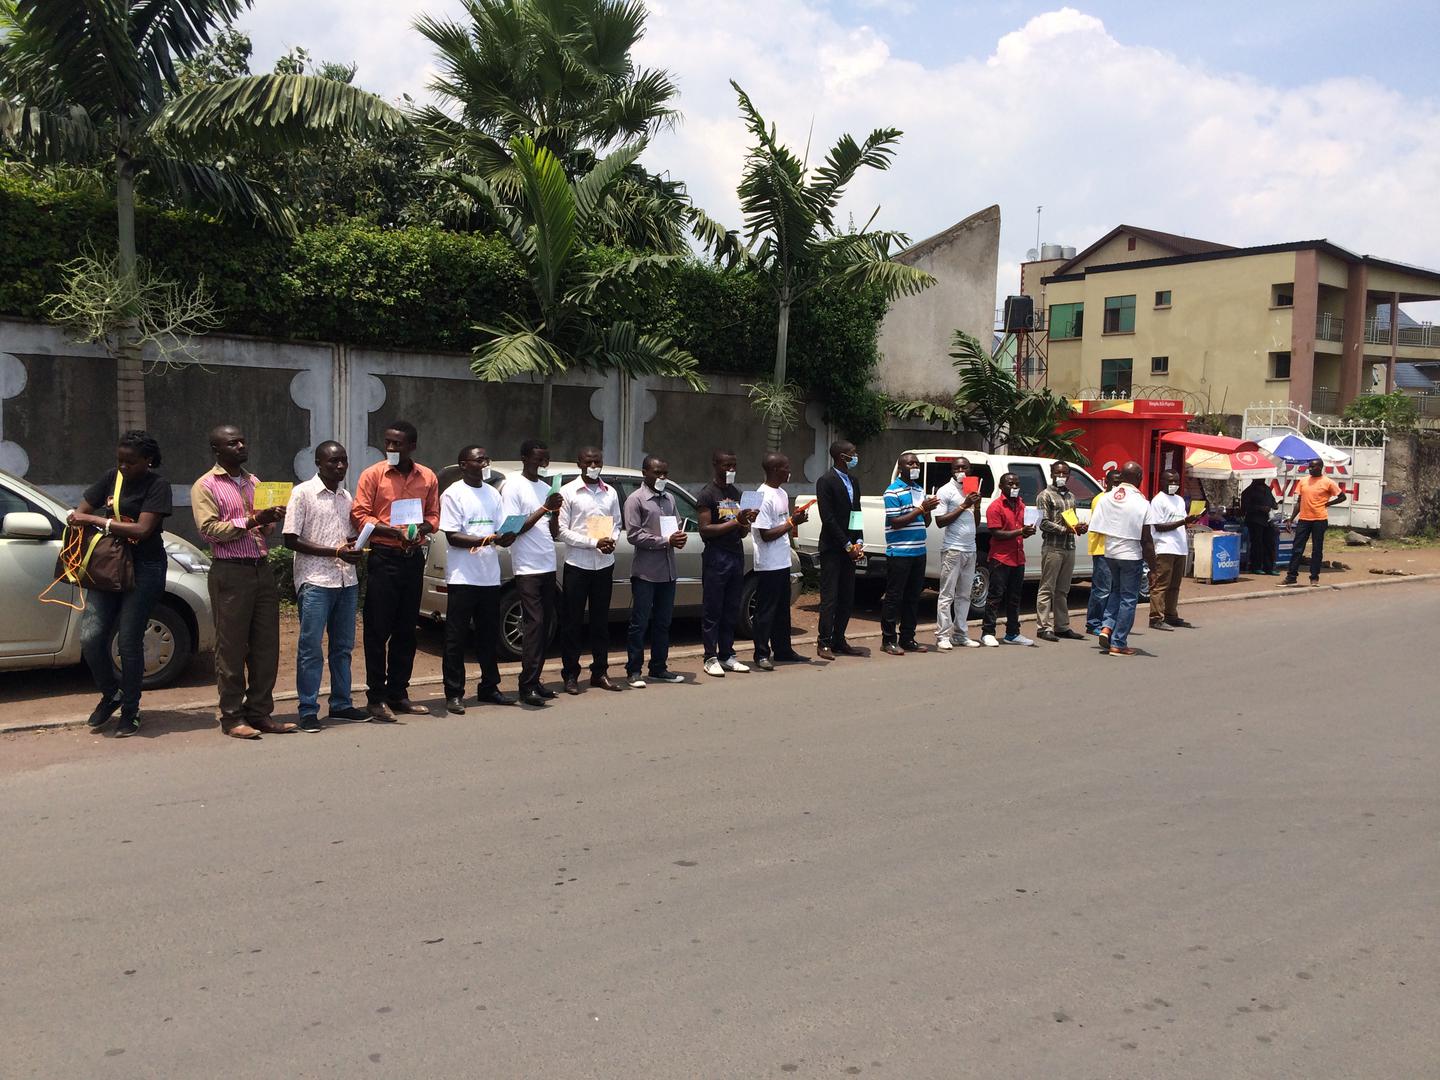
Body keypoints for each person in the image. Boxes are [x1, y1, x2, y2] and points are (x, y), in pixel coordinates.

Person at [191, 424, 295, 738]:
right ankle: (232, 717)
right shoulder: (205, 486)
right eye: (232, 443)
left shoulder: (255, 482)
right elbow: (208, 530)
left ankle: (260, 712)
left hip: (260, 569)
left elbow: (264, 531)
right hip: (230, 571)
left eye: (242, 441)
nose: (240, 446)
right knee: (232, 648)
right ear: (217, 450)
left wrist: (270, 520)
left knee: (266, 646)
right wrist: (252, 520)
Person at [70, 431, 172, 737]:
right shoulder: (110, 479)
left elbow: (141, 530)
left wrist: (96, 521)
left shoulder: (158, 486)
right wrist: (88, 519)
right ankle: (111, 694)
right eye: (120, 460)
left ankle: (131, 709)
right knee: (90, 636)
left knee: (128, 640)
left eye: (131, 461)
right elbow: (80, 512)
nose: (123, 467)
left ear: (148, 461)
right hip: (109, 565)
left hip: (146, 567)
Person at [352, 420, 440, 721]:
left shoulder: (427, 476)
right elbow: (360, 516)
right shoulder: (373, 475)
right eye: (387, 442)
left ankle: (398, 693)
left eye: (397, 443)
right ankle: (375, 698)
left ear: (411, 446)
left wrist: (421, 530)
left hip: (413, 558)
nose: (391, 448)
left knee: (406, 631)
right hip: (384, 557)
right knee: (378, 631)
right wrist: (394, 533)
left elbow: (433, 516)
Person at [283, 441, 369, 732]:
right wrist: (335, 552)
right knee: (310, 649)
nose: (341, 466)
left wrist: (354, 550)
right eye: (333, 461)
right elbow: (291, 539)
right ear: (318, 463)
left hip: (346, 581)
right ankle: (308, 709)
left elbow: (348, 538)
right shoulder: (302, 494)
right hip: (315, 582)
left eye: (344, 460)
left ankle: (342, 704)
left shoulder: (347, 497)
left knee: (343, 648)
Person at [439, 445, 518, 714]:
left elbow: (500, 528)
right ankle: (454, 692)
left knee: (488, 635)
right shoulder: (453, 494)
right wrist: (487, 539)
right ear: (463, 465)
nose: (485, 463)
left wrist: (507, 535)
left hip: (489, 576)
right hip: (463, 576)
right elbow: (453, 536)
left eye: (487, 458)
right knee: (456, 637)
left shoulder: (493, 493)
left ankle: (489, 687)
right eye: (479, 459)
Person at [501, 438, 563, 707]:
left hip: (547, 563)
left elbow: (553, 531)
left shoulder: (546, 488)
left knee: (545, 624)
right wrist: (544, 508)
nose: (542, 464)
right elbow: (512, 529)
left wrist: (556, 512)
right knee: (534, 624)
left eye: (545, 460)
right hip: (526, 566)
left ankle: (536, 679)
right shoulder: (514, 486)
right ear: (525, 458)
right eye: (538, 459)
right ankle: (526, 686)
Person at [556, 446, 624, 695]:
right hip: (578, 565)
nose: (594, 466)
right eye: (589, 462)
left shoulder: (611, 493)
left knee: (600, 622)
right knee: (572, 622)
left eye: (598, 462)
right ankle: (571, 674)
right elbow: (562, 531)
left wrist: (611, 540)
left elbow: (616, 523)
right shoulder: (568, 492)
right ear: (579, 463)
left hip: (604, 564)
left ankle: (600, 672)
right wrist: (593, 542)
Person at [622, 454, 688, 687]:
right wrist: (665, 541)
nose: (662, 477)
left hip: (668, 571)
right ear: (644, 473)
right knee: (640, 622)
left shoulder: (669, 498)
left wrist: (679, 537)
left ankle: (658, 667)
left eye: (665, 474)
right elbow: (634, 535)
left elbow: (676, 525)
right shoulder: (636, 500)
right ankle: (633, 670)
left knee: (663, 622)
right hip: (645, 572)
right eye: (657, 473)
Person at [697, 449, 757, 677]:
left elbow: (742, 532)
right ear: (715, 465)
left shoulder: (736, 493)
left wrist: (746, 523)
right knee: (713, 609)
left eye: (734, 465)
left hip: (735, 555)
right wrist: (736, 522)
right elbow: (705, 530)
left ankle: (727, 654)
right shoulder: (707, 495)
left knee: (732, 607)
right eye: (726, 466)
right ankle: (710, 656)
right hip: (716, 556)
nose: (731, 469)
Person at [1088, 461, 1155, 657]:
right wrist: (1154, 568)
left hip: (1109, 552)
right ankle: (1118, 642)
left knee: (1115, 592)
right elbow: (1147, 540)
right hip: (1130, 555)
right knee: (1128, 598)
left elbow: (1097, 526)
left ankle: (1106, 627)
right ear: (1139, 479)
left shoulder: (1106, 498)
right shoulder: (1142, 502)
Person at [750, 452, 809, 670]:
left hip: (782, 560)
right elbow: (764, 534)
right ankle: (761, 653)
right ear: (775, 470)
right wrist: (791, 522)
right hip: (767, 563)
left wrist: (795, 520)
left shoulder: (782, 493)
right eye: (786, 467)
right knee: (765, 610)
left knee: (782, 609)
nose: (789, 470)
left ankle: (783, 650)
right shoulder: (760, 495)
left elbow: (784, 524)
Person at [880, 452, 937, 655]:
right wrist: (921, 508)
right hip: (900, 552)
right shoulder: (892, 492)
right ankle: (888, 640)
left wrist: (927, 510)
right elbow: (895, 522)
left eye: (917, 464)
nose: (914, 466)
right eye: (910, 463)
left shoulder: (919, 489)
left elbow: (926, 522)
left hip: (919, 550)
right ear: (901, 467)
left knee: (913, 596)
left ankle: (908, 637)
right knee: (894, 596)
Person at [814, 440, 865, 661]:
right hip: (833, 548)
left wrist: (859, 541)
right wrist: (846, 545)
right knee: (830, 597)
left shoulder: (853, 480)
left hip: (851, 548)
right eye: (852, 454)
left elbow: (857, 512)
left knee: (847, 596)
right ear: (841, 457)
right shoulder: (826, 481)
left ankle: (839, 639)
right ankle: (824, 642)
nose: (856, 457)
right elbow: (828, 518)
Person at [981, 471, 1037, 647]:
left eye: (1016, 484)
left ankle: (1013, 633)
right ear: (1001, 486)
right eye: (1010, 484)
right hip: (1000, 558)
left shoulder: (1021, 505)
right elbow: (996, 533)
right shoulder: (995, 507)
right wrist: (1020, 531)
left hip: (1018, 557)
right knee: (995, 595)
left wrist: (1027, 531)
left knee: (1015, 597)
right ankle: (987, 632)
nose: (1014, 487)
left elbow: (1021, 530)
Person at [933, 456, 982, 650]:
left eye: (965, 467)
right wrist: (964, 505)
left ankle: (960, 633)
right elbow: (940, 521)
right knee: (947, 594)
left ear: (970, 470)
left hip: (971, 549)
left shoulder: (972, 489)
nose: (961, 471)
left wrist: (976, 506)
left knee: (964, 594)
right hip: (953, 549)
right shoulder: (946, 491)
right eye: (957, 468)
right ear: (952, 471)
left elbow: (976, 522)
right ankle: (942, 635)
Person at [1035, 462, 1086, 642]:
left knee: (1063, 589)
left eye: (1064, 472)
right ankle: (1043, 627)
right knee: (1047, 587)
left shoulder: (1071, 496)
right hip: (1053, 546)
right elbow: (1043, 523)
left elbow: (1071, 519)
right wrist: (1066, 530)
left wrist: (1078, 527)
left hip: (1069, 546)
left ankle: (1062, 626)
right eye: (1058, 472)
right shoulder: (1045, 496)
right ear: (1052, 474)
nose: (1061, 475)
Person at [1145, 468, 1199, 631]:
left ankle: (1171, 614)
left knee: (1175, 585)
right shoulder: (1158, 500)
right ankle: (1156, 617)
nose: (1173, 484)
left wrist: (1188, 522)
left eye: (1176, 481)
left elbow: (1179, 522)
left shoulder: (1180, 500)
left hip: (1180, 547)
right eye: (1170, 481)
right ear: (1162, 481)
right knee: (1161, 584)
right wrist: (1182, 522)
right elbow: (1159, 526)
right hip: (1164, 547)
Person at [1281, 459, 1344, 587]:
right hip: (1304, 519)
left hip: (1319, 520)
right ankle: (1291, 576)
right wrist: (1292, 518)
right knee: (1297, 548)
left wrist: (1328, 503)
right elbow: (1299, 501)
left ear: (1320, 467)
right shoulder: (1303, 481)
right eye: (1309, 467)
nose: (1310, 469)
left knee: (1317, 549)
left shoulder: (1328, 482)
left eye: (1313, 467)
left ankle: (1314, 577)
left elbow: (1342, 497)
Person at [1085, 469, 1121, 636]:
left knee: (1113, 588)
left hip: (1116, 550)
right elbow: (1101, 524)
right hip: (1102, 548)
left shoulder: (1119, 500)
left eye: (1119, 481)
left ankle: (1107, 622)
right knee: (1102, 589)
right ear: (1106, 482)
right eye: (1114, 481)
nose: (1117, 484)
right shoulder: (1100, 499)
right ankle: (1094, 623)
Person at [1240, 477, 1279, 574]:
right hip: (1255, 520)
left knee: (1270, 543)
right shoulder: (1248, 491)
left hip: (1267, 520)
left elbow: (1273, 502)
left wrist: (1274, 505)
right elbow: (1245, 507)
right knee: (1257, 544)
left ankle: (1269, 567)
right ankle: (1256, 566)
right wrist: (1260, 508)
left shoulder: (1267, 489)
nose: (1263, 480)